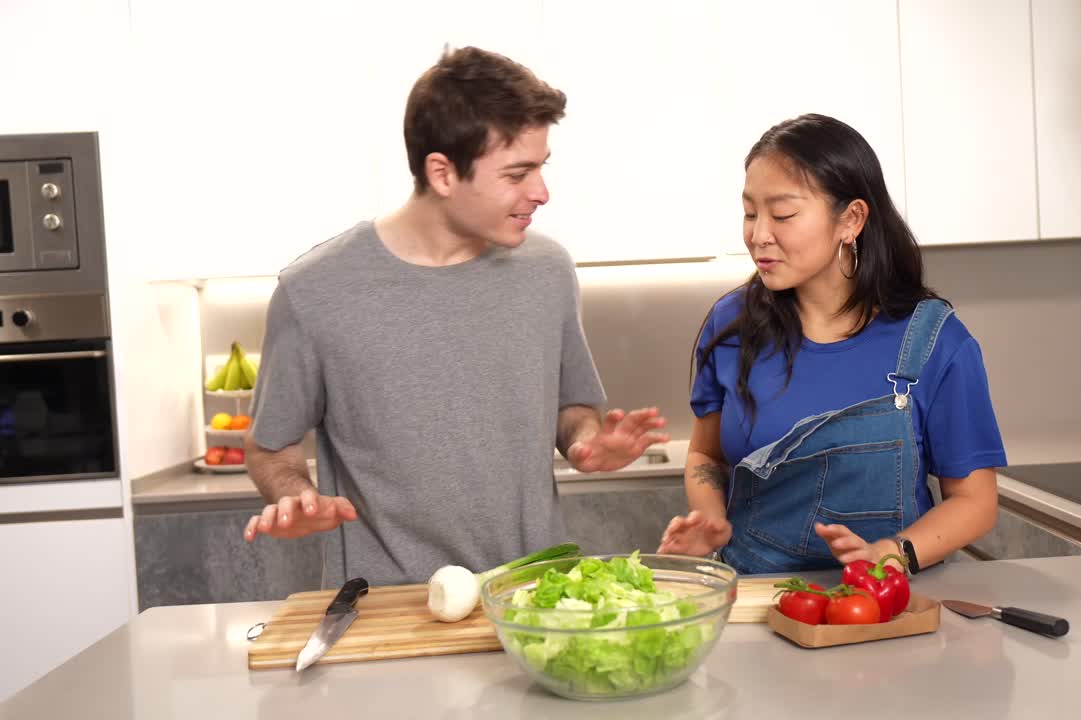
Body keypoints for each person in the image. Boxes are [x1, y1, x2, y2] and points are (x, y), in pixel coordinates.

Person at [241, 46, 668, 587]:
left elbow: (569, 405)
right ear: (442, 173)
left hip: (532, 598)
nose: (541, 192)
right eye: (517, 173)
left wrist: (584, 440)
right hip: (387, 609)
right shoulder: (314, 291)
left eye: (541, 167)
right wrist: (295, 496)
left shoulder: (547, 271)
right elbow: (268, 444)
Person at [658, 113, 1004, 575]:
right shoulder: (732, 325)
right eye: (749, 212)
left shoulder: (935, 341)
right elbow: (706, 454)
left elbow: (975, 502)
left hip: (888, 605)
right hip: (758, 599)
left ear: (852, 219)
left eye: (782, 214)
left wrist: (892, 552)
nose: (759, 234)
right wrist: (712, 519)